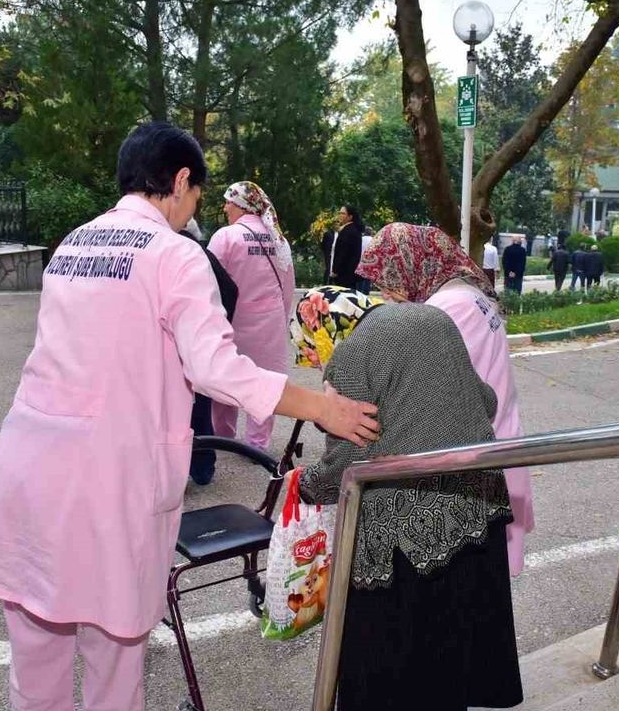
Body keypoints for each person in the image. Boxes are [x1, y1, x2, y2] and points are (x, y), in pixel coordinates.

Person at [0, 123, 379, 711]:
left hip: (31, 471)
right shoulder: (173, 254)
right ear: (181, 180)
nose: (194, 210)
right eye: (195, 196)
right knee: (114, 660)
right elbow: (217, 366)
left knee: (36, 663)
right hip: (107, 482)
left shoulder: (73, 244)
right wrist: (322, 406)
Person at [293, 294, 522, 711]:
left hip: (406, 535)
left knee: (394, 665)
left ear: (322, 333)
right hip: (473, 504)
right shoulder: (432, 317)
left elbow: (348, 457)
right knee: (449, 652)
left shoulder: (349, 357)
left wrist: (307, 485)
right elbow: (484, 401)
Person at [357, 223, 534, 577]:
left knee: (461, 592)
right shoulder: (467, 295)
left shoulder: (445, 309)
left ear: (412, 264)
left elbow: (414, 389)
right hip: (492, 453)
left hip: (469, 473)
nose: (385, 294)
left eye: (388, 281)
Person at [206, 181, 297, 452]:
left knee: (224, 376)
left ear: (241, 205)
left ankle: (224, 435)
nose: (225, 207)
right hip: (268, 321)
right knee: (264, 380)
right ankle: (257, 443)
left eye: (228, 202)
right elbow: (288, 284)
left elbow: (209, 279)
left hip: (231, 320)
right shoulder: (278, 239)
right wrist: (281, 316)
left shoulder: (226, 237)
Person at [182, 219, 239, 486]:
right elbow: (231, 289)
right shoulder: (202, 253)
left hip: (176, 350)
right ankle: (203, 469)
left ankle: (180, 473)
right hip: (198, 349)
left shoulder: (176, 251)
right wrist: (219, 326)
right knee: (200, 408)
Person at [330, 205, 365, 289]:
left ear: (350, 217)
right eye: (340, 213)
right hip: (350, 272)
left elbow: (342, 253)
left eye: (343, 213)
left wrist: (336, 270)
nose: (340, 215)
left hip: (345, 273)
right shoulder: (353, 229)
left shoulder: (348, 231)